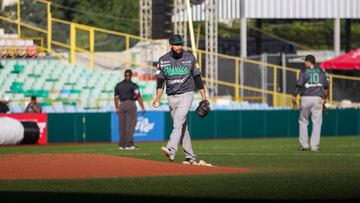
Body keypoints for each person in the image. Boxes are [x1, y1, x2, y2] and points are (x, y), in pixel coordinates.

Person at [152, 34, 208, 164]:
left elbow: (198, 79)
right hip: (171, 97)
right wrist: (158, 98)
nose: (179, 47)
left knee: (178, 122)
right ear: (171, 45)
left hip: (186, 95)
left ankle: (171, 150)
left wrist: (204, 97)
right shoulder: (163, 60)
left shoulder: (190, 58)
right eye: (177, 44)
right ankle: (190, 157)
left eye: (181, 44)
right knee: (182, 128)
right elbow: (160, 82)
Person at [292, 55, 329, 152]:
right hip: (317, 98)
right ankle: (314, 147)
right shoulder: (321, 71)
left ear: (309, 62)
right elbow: (326, 88)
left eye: (305, 61)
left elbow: (299, 85)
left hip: (306, 98)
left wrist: (294, 96)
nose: (304, 63)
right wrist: (324, 99)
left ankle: (304, 145)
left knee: (303, 121)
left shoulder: (304, 71)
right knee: (317, 123)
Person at [114, 69, 145, 150]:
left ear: (124, 75)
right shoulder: (133, 85)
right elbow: (138, 96)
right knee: (130, 125)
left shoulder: (118, 85)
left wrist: (117, 107)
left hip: (122, 105)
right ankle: (129, 144)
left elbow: (116, 98)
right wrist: (142, 107)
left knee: (122, 126)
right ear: (131, 75)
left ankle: (122, 145)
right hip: (130, 104)